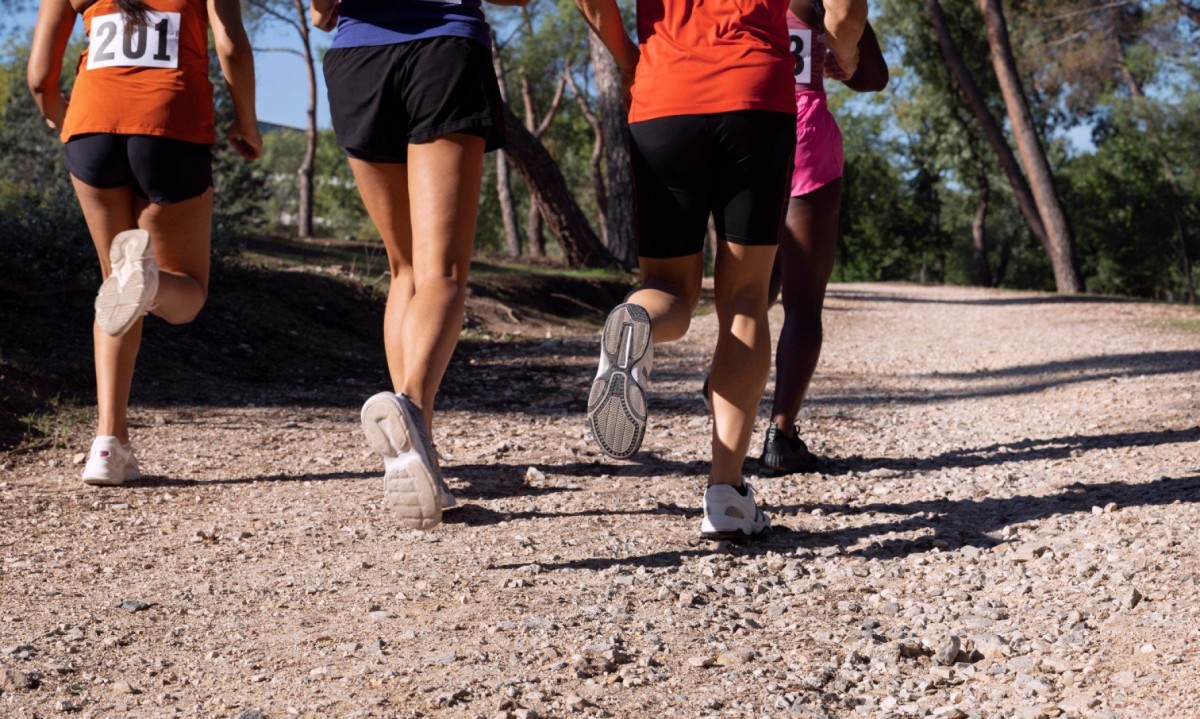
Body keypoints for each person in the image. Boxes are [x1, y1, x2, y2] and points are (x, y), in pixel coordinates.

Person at [576, 0, 870, 539]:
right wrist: (842, 49)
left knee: (665, 288)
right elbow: (846, 7)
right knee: (745, 298)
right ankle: (726, 495)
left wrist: (626, 60)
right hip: (756, 97)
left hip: (663, 95)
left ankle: (635, 323)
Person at [28, 0, 260, 486]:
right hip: (171, 122)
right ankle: (150, 284)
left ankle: (108, 447)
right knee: (187, 293)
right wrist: (247, 121)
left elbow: (39, 76)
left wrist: (61, 117)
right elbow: (232, 44)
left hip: (92, 124)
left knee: (115, 287)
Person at [310, 0, 523, 531]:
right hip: (443, 51)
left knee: (403, 268)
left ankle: (415, 448)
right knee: (441, 272)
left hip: (359, 60)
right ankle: (410, 407)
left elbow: (319, 11)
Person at [756, 0, 888, 475]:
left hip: (741, 134)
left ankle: (725, 390)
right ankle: (782, 435)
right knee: (803, 300)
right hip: (804, 137)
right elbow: (874, 76)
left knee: (750, 289)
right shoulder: (814, 2)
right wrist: (844, 57)